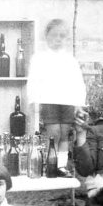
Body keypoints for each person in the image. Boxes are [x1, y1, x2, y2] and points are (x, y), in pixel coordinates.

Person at [31, 19, 87, 148]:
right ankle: (51, 164)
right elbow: (34, 81)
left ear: (66, 38)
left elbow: (78, 82)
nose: (58, 39)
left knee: (64, 135)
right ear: (46, 36)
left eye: (62, 36)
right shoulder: (40, 58)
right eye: (54, 35)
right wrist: (34, 101)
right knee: (53, 134)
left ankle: (61, 166)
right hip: (49, 101)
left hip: (67, 101)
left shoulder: (70, 59)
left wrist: (79, 104)